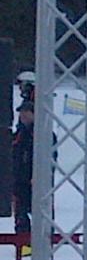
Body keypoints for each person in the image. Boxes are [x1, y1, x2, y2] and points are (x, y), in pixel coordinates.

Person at [11, 100, 34, 234]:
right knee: (20, 210)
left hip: (33, 179)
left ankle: (37, 239)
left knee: (36, 209)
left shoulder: (40, 133)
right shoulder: (18, 135)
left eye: (26, 112)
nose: (23, 115)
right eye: (21, 113)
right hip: (18, 179)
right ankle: (23, 240)